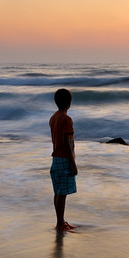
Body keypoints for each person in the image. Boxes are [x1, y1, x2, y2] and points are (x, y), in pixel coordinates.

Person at [49, 88, 78, 232]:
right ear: (69, 103)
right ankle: (60, 223)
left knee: (58, 192)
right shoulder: (67, 119)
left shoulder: (53, 117)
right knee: (62, 193)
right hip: (64, 159)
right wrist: (73, 164)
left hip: (55, 159)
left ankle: (60, 221)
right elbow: (69, 143)